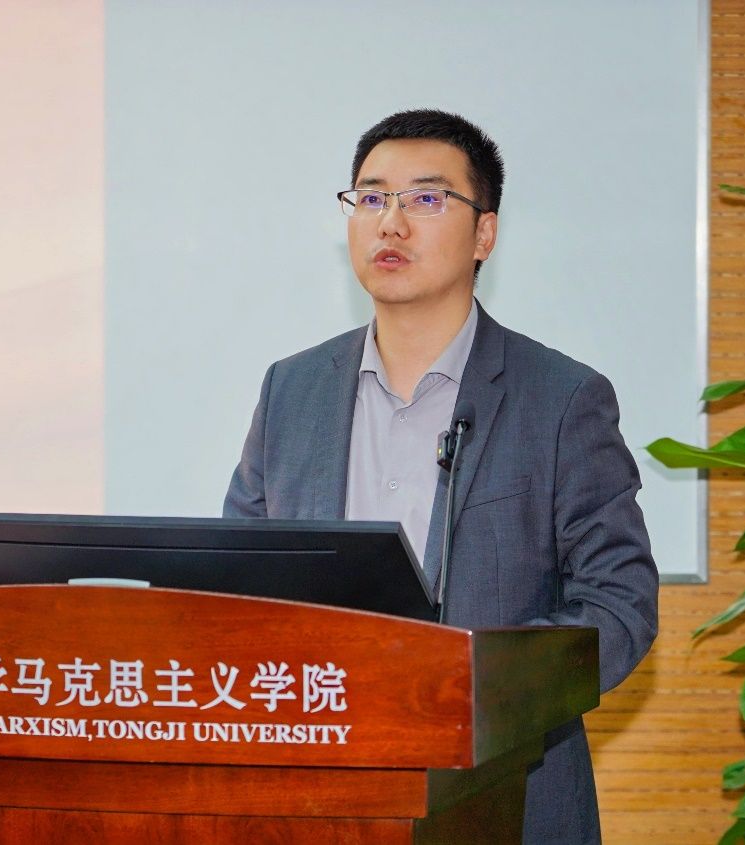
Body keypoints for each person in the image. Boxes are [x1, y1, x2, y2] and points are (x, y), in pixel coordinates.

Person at [223, 109, 658, 845]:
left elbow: (619, 604)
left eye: (426, 198)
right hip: (318, 799)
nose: (390, 223)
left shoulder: (562, 399)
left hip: (507, 796)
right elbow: (239, 583)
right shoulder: (291, 389)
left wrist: (471, 689)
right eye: (371, 197)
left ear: (485, 233)